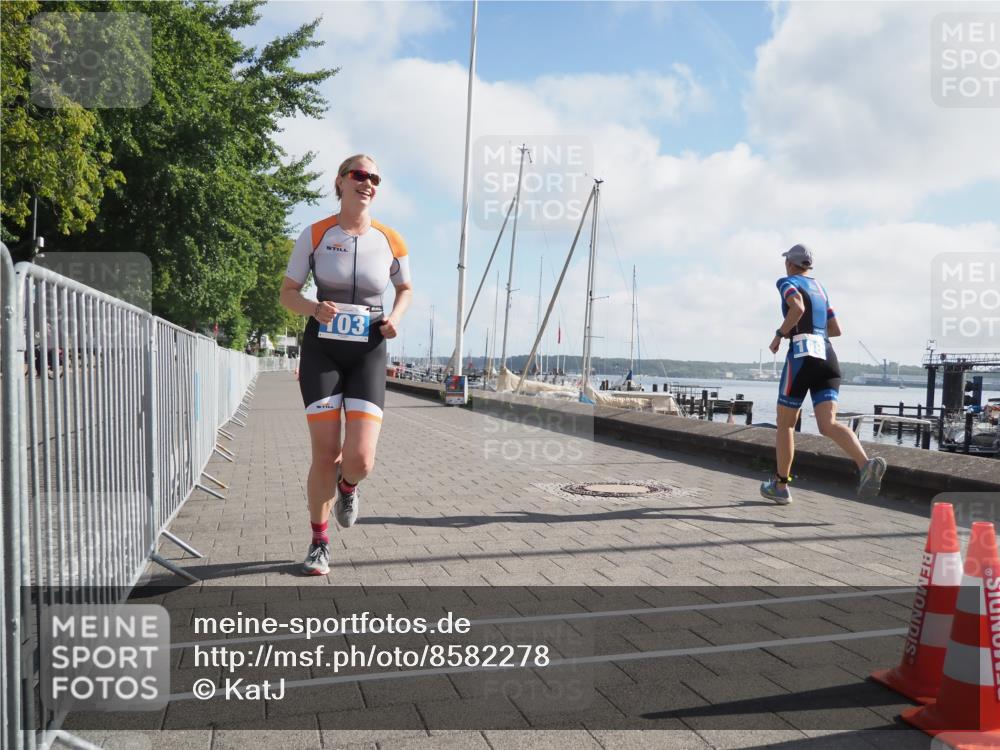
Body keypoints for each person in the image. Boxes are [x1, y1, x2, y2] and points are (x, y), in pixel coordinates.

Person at [279, 154, 412, 574]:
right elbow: (287, 293)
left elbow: (405, 289)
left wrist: (395, 318)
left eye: (375, 177)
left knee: (360, 459)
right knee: (325, 453)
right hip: (323, 349)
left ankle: (348, 486)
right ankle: (319, 541)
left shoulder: (391, 239)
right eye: (359, 174)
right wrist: (313, 307)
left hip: (368, 349)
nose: (368, 182)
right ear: (340, 181)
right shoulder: (316, 234)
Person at [760, 244, 886, 505]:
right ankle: (865, 465)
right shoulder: (820, 288)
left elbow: (797, 308)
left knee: (785, 424)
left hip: (802, 357)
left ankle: (780, 487)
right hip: (828, 357)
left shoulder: (786, 282)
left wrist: (780, 335)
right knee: (828, 424)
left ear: (790, 263)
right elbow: (835, 329)